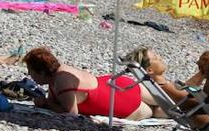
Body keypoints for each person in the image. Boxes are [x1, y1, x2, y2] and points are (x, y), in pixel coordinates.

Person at [22, 47, 150, 119]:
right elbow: (55, 103)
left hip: (121, 103)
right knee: (163, 104)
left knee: (159, 111)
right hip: (117, 84)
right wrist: (46, 103)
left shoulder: (61, 81)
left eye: (31, 71)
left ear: (42, 72)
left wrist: (45, 103)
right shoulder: (59, 73)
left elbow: (71, 114)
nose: (29, 74)